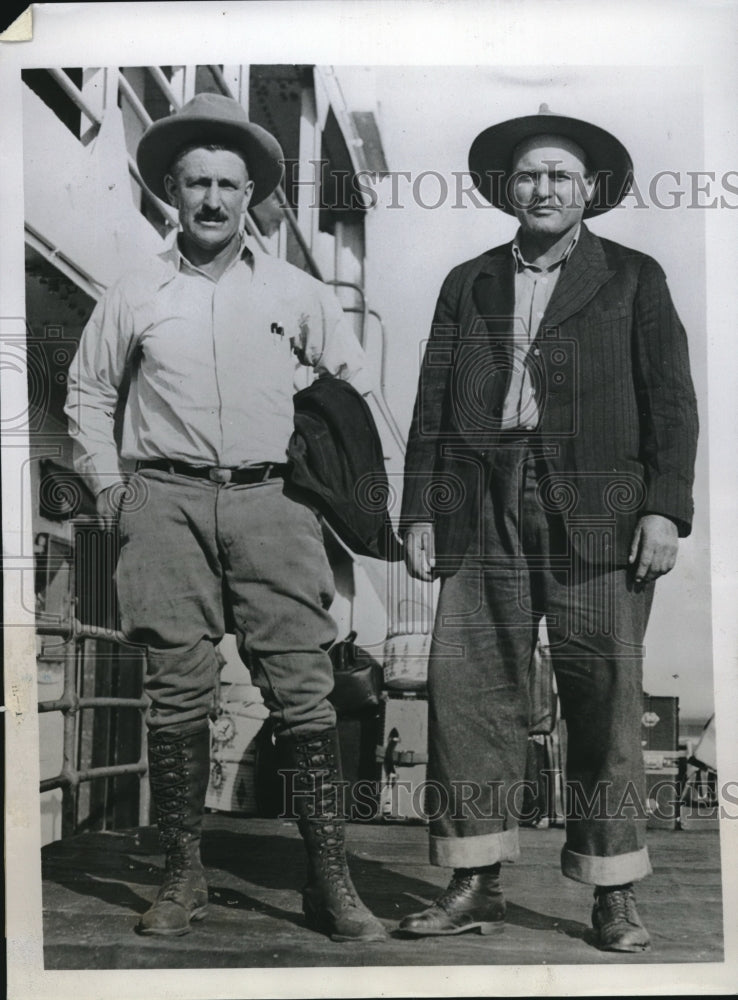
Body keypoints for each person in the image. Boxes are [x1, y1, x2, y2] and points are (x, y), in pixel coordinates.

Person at [65, 92, 387, 943]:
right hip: (162, 500)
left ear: (253, 197)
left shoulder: (298, 293)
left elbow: (353, 393)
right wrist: (108, 486)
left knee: (306, 690)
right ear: (172, 189)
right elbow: (91, 392)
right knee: (175, 690)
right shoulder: (134, 292)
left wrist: (337, 490)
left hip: (274, 501)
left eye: (229, 185)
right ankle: (180, 877)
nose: (212, 199)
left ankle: (331, 883)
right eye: (196, 183)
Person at [399, 105, 698, 952]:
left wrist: (663, 507)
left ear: (590, 190)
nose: (542, 188)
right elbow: (430, 405)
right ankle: (474, 879)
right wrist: (422, 507)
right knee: (469, 694)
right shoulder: (469, 281)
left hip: (602, 511)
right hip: (484, 498)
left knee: (604, 699)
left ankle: (611, 891)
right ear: (507, 188)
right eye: (528, 175)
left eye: (559, 176)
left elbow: (672, 401)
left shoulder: (634, 276)